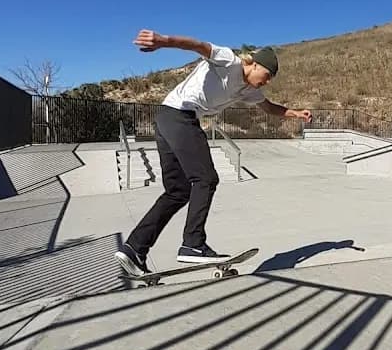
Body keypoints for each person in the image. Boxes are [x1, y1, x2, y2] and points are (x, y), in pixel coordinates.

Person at [115, 30, 312, 277]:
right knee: (206, 179)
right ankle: (193, 244)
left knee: (177, 191)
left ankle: (135, 248)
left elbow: (269, 107)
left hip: (167, 118)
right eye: (268, 75)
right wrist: (163, 41)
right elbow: (197, 45)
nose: (268, 81)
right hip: (179, 116)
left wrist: (296, 114)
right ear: (255, 65)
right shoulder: (228, 60)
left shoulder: (251, 91)